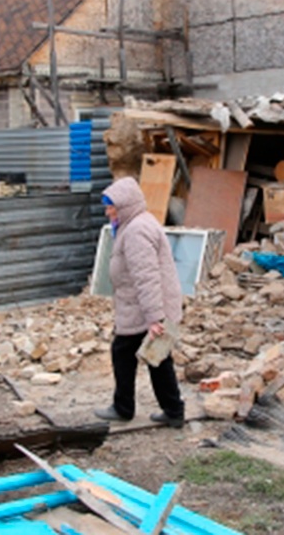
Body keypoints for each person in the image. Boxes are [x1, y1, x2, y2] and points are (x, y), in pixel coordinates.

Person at [94, 177, 186, 428]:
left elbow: (147, 277)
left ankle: (125, 408)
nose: (107, 211)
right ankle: (173, 411)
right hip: (143, 306)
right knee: (157, 357)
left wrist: (154, 318)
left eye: (111, 206)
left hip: (145, 307)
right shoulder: (135, 223)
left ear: (124, 206)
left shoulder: (136, 230)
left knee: (124, 352)